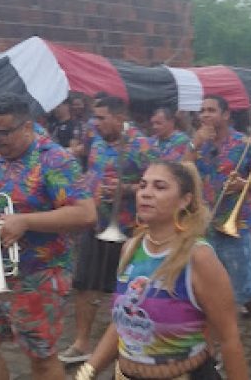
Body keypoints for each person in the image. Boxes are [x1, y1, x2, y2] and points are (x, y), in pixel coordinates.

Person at [74, 160, 249, 380]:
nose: (146, 193)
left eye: (160, 187)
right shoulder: (131, 248)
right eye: (143, 185)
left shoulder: (198, 257)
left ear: (184, 200)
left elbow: (229, 339)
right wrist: (87, 371)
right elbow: (123, 323)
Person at [0, 93, 96, 380]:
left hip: (39, 275)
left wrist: (26, 221)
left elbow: (86, 214)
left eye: (4, 132)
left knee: (40, 358)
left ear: (27, 126)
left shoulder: (54, 160)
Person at [60, 96, 155, 365]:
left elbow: (158, 185)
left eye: (101, 117)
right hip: (95, 223)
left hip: (127, 229)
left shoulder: (142, 145)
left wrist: (125, 190)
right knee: (84, 284)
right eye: (95, 117)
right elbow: (91, 170)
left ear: (119, 117)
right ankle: (81, 343)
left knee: (129, 290)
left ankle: (131, 343)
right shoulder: (97, 138)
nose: (95, 122)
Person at [186, 95, 251, 360]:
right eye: (202, 110)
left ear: (226, 115)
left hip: (236, 225)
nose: (205, 115)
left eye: (211, 110)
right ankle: (214, 351)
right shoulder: (197, 144)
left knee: (244, 289)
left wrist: (244, 184)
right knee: (207, 291)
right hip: (204, 227)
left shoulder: (244, 144)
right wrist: (195, 143)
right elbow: (181, 172)